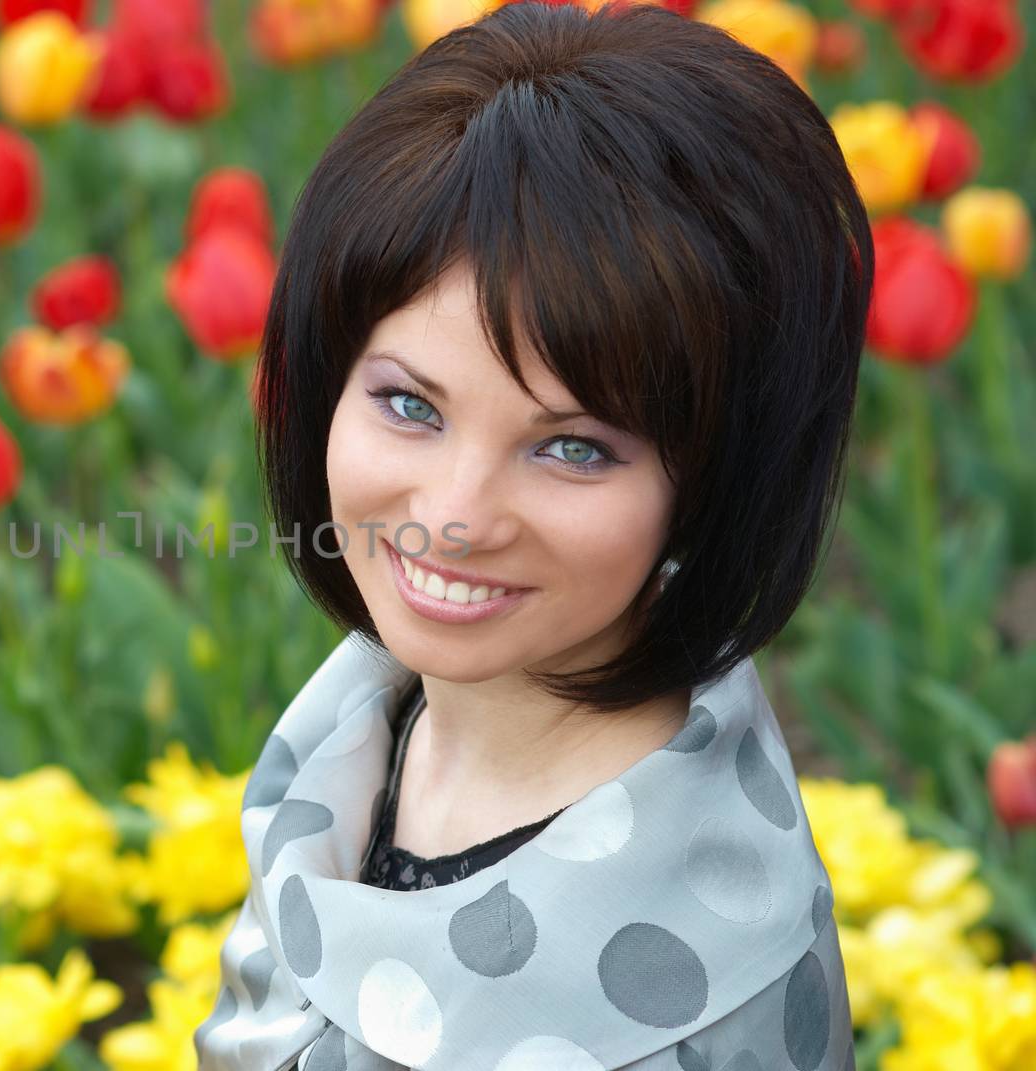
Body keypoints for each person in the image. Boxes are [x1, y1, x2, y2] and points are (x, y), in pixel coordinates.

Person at [196, 2, 872, 1069]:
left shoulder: (689, 995)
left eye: (572, 449)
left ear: (719, 482)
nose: (455, 516)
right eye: (409, 406)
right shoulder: (356, 732)